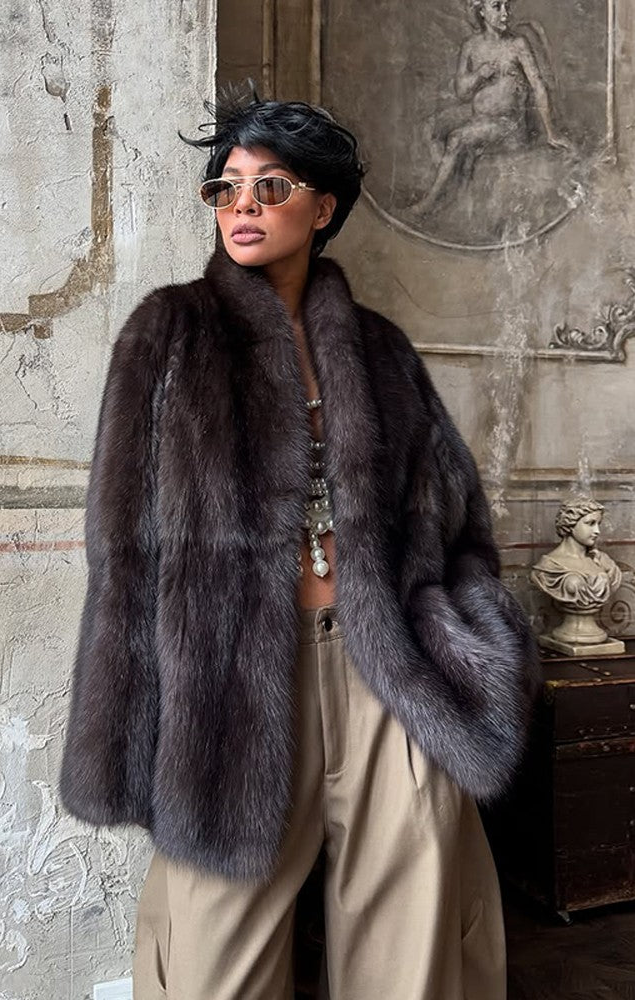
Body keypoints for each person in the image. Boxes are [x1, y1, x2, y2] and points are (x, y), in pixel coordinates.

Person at [59, 87, 541, 999]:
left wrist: (467, 641)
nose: (242, 205)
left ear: (322, 208)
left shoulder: (380, 350)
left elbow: (456, 524)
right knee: (214, 965)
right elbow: (122, 551)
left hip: (385, 672)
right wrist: (132, 723)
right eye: (226, 188)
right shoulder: (168, 334)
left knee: (413, 956)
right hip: (232, 684)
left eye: (270, 186)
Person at [412, 0, 569, 215]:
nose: (505, 13)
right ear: (481, 11)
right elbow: (462, 92)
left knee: (457, 139)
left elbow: (538, 86)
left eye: (507, 6)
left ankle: (427, 204)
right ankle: (454, 187)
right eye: (497, 6)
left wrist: (551, 133)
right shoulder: (470, 46)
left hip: (508, 124)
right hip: (479, 117)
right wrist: (479, 75)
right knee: (429, 127)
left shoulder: (517, 44)